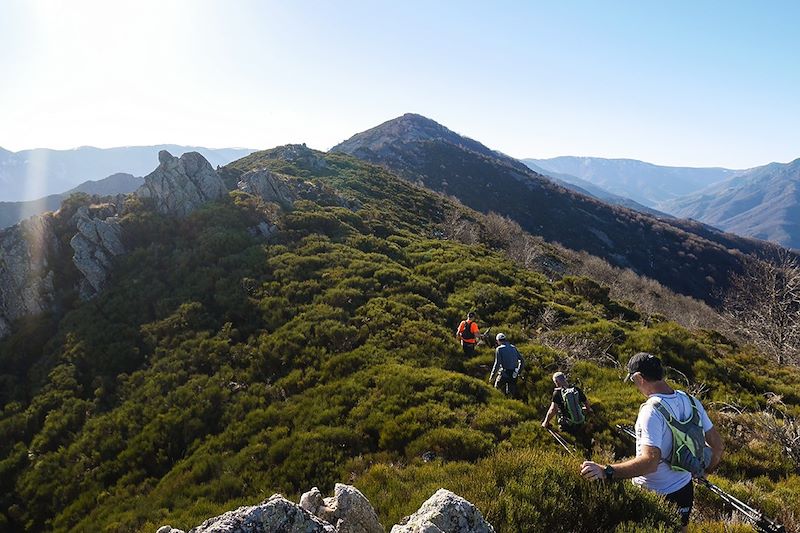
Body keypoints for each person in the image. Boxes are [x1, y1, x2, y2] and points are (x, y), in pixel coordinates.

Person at [580, 352, 724, 532]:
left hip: (653, 495)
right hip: (685, 490)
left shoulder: (651, 411)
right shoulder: (691, 400)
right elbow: (717, 446)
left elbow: (650, 463)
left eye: (633, 381)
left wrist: (606, 471)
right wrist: (704, 471)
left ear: (639, 378)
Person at [542, 372, 593, 451]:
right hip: (580, 422)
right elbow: (586, 402)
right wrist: (588, 410)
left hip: (567, 425)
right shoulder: (576, 389)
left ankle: (573, 453)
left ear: (556, 382)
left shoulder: (557, 393)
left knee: (568, 442)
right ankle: (589, 452)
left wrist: (546, 422)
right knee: (583, 439)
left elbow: (553, 409)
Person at [489, 333, 524, 397]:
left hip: (504, 374)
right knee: (511, 395)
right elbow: (522, 360)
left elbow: (497, 364)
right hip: (514, 375)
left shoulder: (499, 349)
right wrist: (518, 371)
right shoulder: (513, 348)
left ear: (498, 340)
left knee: (497, 391)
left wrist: (492, 376)